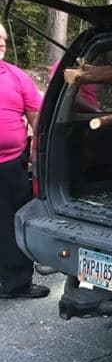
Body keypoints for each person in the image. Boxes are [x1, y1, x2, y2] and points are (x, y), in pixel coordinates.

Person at [0, 23, 49, 298]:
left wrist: (35, 151)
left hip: (10, 164)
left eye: (4, 39)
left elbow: (35, 115)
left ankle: (16, 282)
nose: (2, 43)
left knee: (10, 223)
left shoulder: (17, 76)